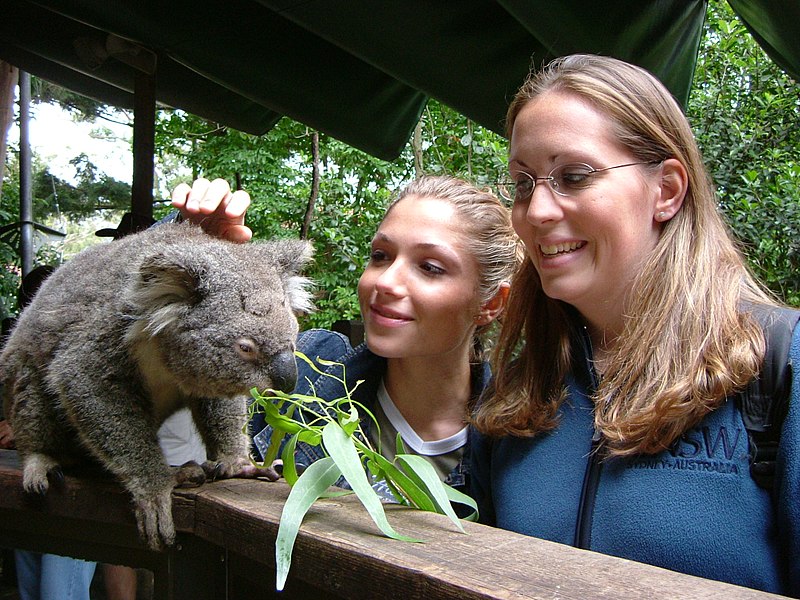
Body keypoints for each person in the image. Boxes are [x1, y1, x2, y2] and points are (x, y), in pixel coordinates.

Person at [469, 53, 800, 597]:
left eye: (574, 176)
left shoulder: (776, 369)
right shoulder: (516, 392)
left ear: (666, 190)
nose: (538, 210)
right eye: (524, 184)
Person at [172, 175, 519, 498]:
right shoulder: (306, 373)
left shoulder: (519, 442)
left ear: (490, 303)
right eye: (381, 257)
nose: (384, 281)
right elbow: (152, 375)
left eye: (430, 267)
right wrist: (189, 266)